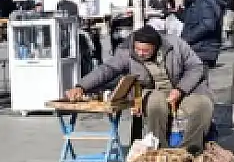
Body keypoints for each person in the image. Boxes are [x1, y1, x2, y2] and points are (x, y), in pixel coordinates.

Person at [68, 24, 215, 154]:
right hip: (150, 92)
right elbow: (107, 69)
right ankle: (160, 149)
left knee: (203, 104)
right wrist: (82, 86)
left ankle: (189, 151)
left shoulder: (176, 45)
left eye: (145, 50)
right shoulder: (127, 52)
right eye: (137, 49)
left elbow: (196, 67)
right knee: (156, 101)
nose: (140, 53)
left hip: (182, 90)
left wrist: (180, 90)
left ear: (155, 47)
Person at [179, 0, 227, 68]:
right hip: (200, 48)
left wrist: (186, 39)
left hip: (202, 48)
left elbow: (208, 24)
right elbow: (193, 20)